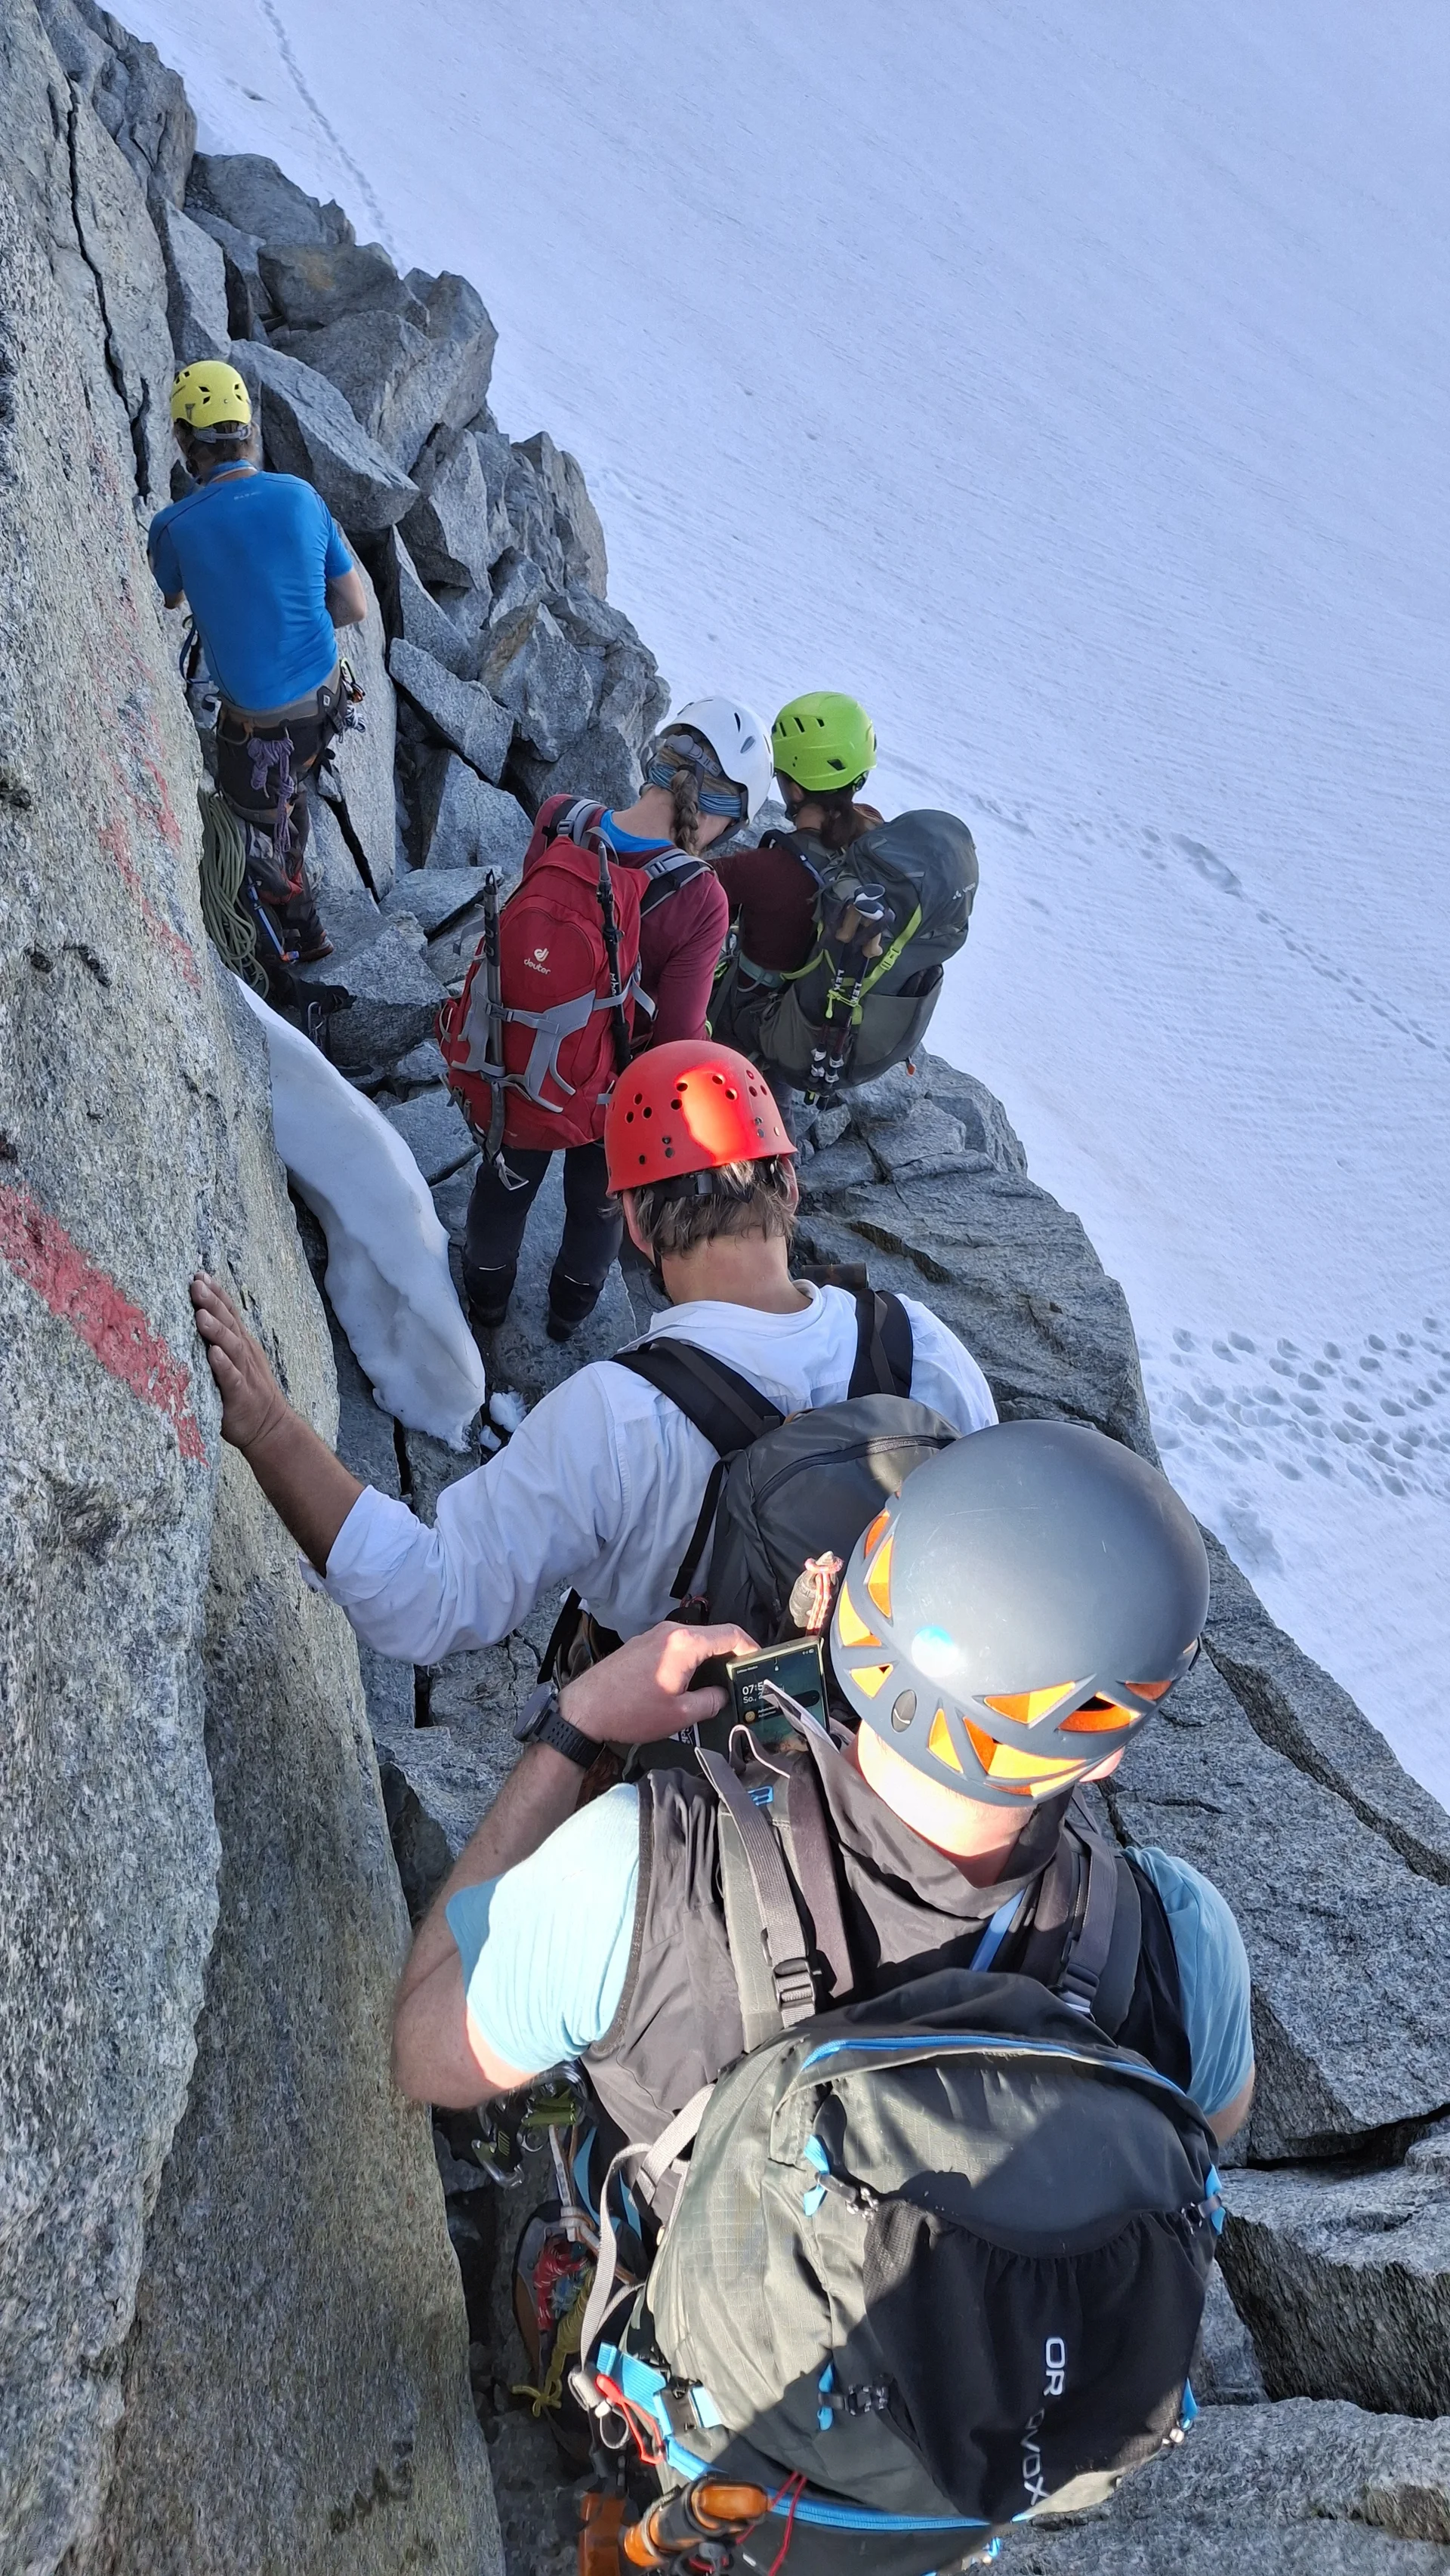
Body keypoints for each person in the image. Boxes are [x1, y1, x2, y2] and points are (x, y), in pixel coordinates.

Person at [388, 1415, 1254, 2140]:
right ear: (1102, 1750)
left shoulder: (636, 1873)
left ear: (853, 1606)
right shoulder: (1182, 1947)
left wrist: (572, 1729)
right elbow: (1197, 2151)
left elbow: (423, 2052)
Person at [189, 1038, 998, 1669]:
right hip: (903, 1757)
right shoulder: (919, 1345)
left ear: (636, 1230)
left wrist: (266, 1426)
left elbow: (425, 1599)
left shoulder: (615, 1417)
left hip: (698, 1783)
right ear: (787, 1184)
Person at [458, 700, 773, 1343]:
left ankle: (484, 1308)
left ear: (654, 762)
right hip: (609, 1100)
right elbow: (678, 1041)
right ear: (727, 815)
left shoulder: (560, 818)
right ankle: (564, 1322)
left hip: (518, 1057)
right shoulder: (701, 896)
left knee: (503, 1189)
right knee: (597, 1211)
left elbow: (535, 943)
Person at [148, 360, 368, 970]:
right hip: (325, 700)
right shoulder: (300, 496)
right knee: (290, 782)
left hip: (257, 728)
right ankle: (290, 818)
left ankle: (293, 935)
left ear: (186, 442)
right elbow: (354, 605)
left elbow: (170, 598)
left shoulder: (173, 526)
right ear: (249, 430)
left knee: (253, 829)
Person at [713, 690, 976, 1112]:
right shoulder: (877, 842)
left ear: (793, 788)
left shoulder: (766, 868)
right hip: (829, 1024)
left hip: (757, 1029)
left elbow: (684, 887)